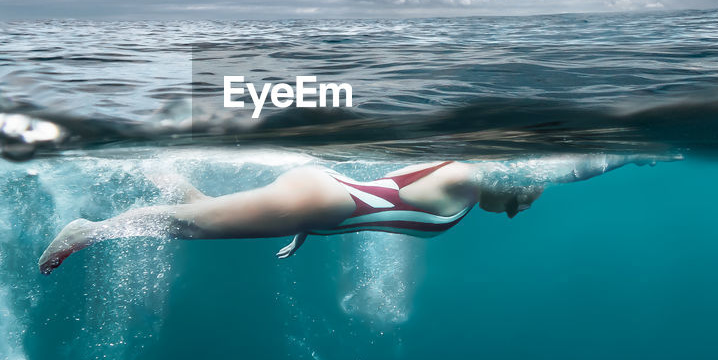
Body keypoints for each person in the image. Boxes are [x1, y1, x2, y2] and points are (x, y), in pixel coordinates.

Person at [38, 154, 655, 275]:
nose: (514, 211)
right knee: (190, 227)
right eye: (520, 198)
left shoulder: (470, 192)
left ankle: (159, 165)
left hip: (323, 203)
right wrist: (629, 155)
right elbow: (562, 166)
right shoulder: (469, 179)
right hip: (320, 197)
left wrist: (307, 229)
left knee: (197, 212)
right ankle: (90, 232)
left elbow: (376, 199)